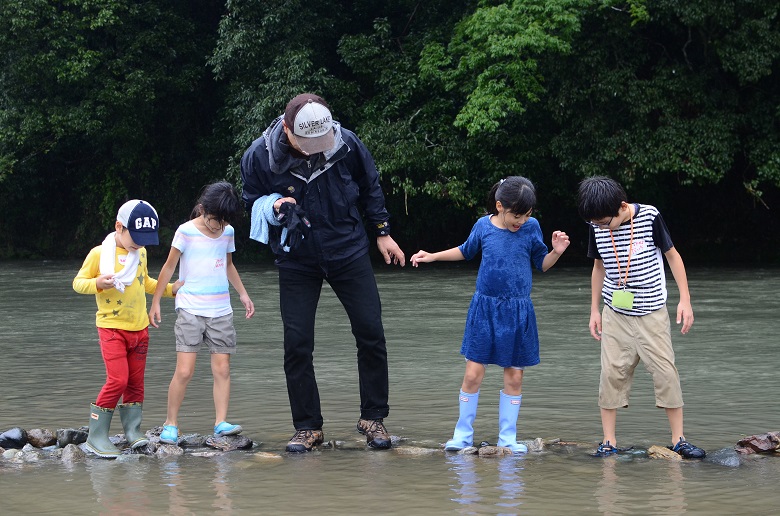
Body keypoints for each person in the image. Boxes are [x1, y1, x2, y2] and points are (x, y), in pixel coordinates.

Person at [241, 93, 405, 452]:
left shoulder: (346, 143)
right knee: (297, 344)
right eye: (306, 143)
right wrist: (275, 205)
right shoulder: (260, 156)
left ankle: (372, 417)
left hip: (348, 248)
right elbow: (250, 199)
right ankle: (308, 427)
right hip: (296, 256)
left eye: (321, 142)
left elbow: (370, 186)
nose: (315, 149)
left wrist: (382, 232)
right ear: (287, 128)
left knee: (371, 332)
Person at [411, 176, 570, 453]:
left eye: (527, 214)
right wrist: (433, 256)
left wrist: (556, 252)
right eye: (516, 215)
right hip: (485, 309)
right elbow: (465, 251)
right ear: (499, 206)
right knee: (473, 373)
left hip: (518, 310)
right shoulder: (483, 226)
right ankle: (462, 435)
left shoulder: (531, 228)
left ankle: (508, 438)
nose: (521, 220)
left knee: (515, 376)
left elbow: (542, 264)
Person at [576, 176, 705, 458]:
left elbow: (673, 256)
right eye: (594, 223)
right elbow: (598, 267)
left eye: (603, 222)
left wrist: (685, 299)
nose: (598, 226)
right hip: (615, 312)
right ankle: (608, 441)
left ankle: (679, 439)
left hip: (652, 310)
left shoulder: (650, 216)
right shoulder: (596, 225)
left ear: (622, 207)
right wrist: (594, 309)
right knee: (611, 373)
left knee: (665, 372)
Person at [148, 181, 255, 445]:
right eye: (214, 218)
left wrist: (242, 293)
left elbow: (228, 265)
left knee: (223, 368)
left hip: (220, 309)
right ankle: (170, 423)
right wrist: (157, 301)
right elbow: (169, 266)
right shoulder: (185, 231)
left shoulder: (227, 232)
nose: (218, 225)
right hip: (190, 309)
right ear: (203, 209)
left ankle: (220, 423)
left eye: (223, 220)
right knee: (184, 370)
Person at [73, 199, 181, 458]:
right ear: (118, 227)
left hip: (139, 328)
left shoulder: (140, 253)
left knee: (135, 383)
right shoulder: (99, 254)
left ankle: (133, 431)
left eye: (145, 238)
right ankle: (96, 436)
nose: (140, 244)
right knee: (118, 379)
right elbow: (78, 283)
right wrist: (98, 282)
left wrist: (170, 289)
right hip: (111, 328)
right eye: (137, 237)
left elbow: (145, 283)